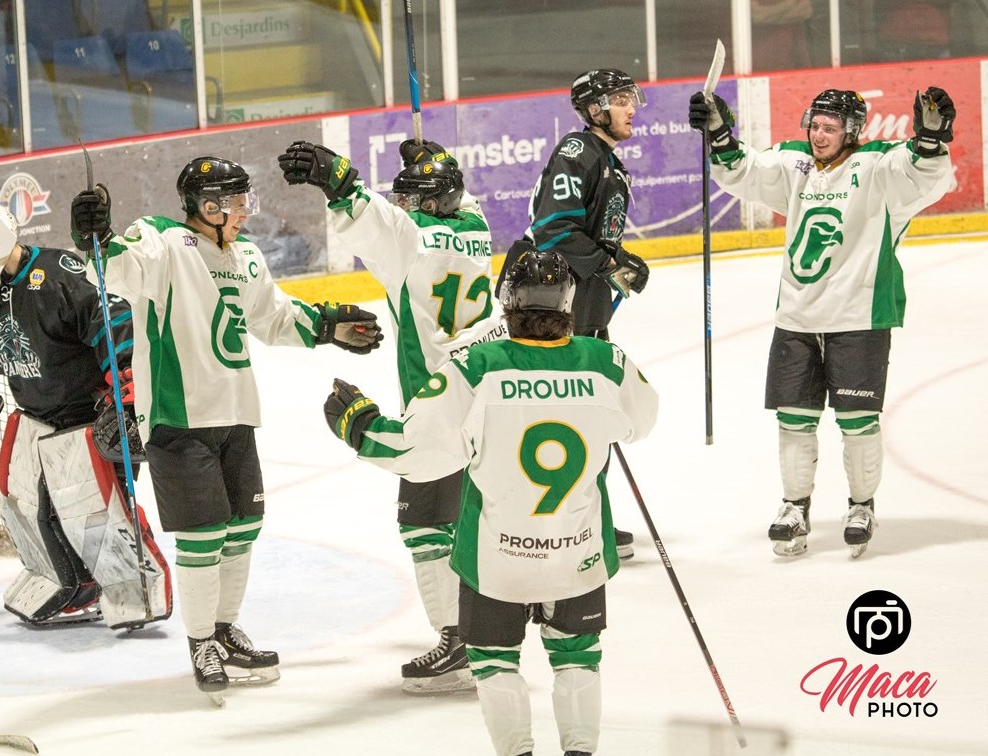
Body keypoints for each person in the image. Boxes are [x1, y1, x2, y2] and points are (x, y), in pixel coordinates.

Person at [70, 156, 384, 701]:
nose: (245, 210)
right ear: (209, 206)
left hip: (237, 412)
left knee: (242, 529)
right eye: (237, 201)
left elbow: (274, 318)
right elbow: (117, 266)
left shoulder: (244, 257)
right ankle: (199, 642)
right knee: (202, 538)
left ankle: (223, 630)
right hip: (179, 416)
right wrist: (94, 237)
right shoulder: (163, 241)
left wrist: (329, 327)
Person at [323, 247, 658, 756]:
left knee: (496, 663)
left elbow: (421, 454)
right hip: (579, 555)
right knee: (577, 659)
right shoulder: (605, 363)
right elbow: (644, 420)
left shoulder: (474, 367)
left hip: (497, 559)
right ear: (568, 304)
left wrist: (363, 427)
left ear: (507, 302)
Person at [688, 85, 956, 558]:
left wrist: (932, 138)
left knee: (857, 421)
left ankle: (861, 506)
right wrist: (718, 132)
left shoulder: (879, 164)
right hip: (797, 316)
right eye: (815, 124)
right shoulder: (796, 163)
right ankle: (794, 507)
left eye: (830, 127)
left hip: (860, 316)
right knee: (794, 421)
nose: (819, 134)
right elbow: (745, 169)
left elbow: (924, 171)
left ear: (852, 130)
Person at [277, 137, 501, 694]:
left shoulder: (409, 240)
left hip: (439, 397)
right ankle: (497, 619)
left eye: (410, 198)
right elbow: (450, 201)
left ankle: (461, 642)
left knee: (424, 523)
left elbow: (366, 212)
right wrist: (435, 161)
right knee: (476, 517)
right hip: (492, 391)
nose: (401, 204)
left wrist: (337, 177)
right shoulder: (475, 228)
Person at [0, 198, 171, 628]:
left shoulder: (60, 273)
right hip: (38, 419)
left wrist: (129, 388)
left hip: (91, 417)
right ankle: (76, 585)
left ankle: (131, 585)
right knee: (33, 511)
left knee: (95, 514)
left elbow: (112, 320)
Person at [501, 68, 652, 560]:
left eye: (633, 99)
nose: (633, 108)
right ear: (595, 110)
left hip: (576, 304)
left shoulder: (607, 161)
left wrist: (616, 263)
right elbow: (555, 230)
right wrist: (611, 264)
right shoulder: (578, 151)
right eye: (622, 100)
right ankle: (566, 525)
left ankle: (589, 521)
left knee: (585, 412)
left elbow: (588, 234)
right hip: (547, 305)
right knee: (564, 413)